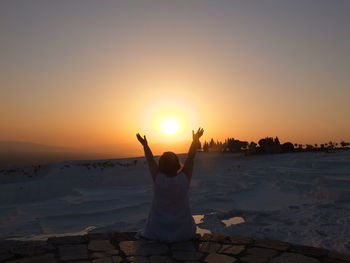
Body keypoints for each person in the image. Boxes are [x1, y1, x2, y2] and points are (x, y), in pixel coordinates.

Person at [135, 128, 204, 242]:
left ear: (161, 165)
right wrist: (195, 141)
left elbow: (150, 160)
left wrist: (145, 145)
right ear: (177, 164)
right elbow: (190, 158)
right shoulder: (184, 178)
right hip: (184, 232)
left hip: (157, 231)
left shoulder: (158, 179)